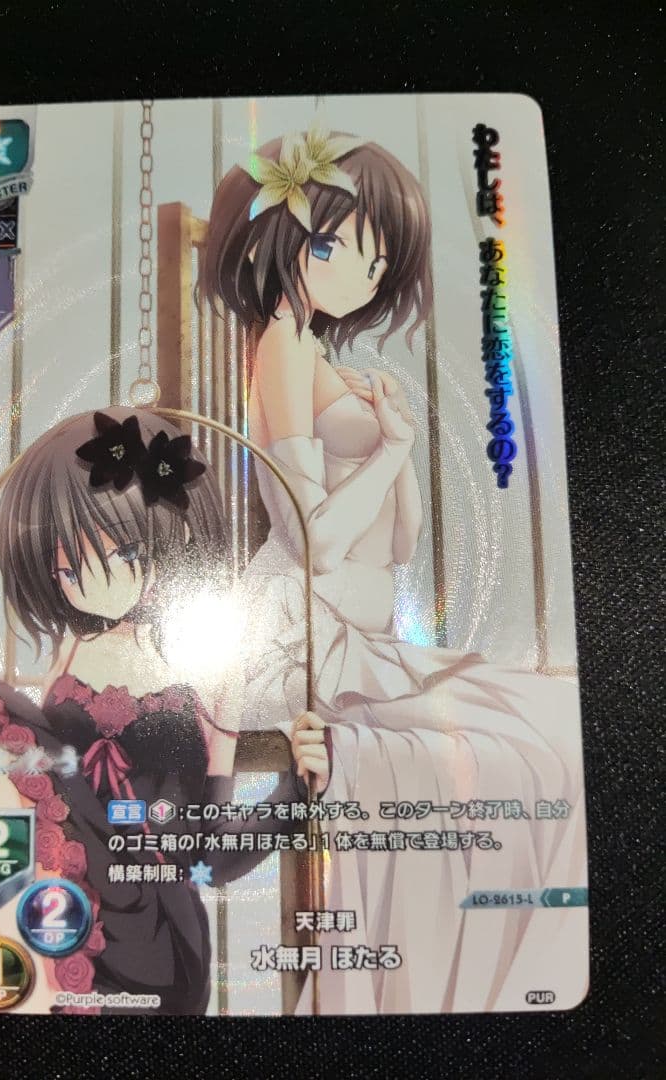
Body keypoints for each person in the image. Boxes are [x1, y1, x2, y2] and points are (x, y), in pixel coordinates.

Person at [202, 126, 588, 1013]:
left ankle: (492, 978)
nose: (371, 279)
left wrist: (398, 446)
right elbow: (311, 541)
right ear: (292, 240)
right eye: (351, 252)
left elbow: (403, 542)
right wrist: (391, 452)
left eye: (383, 265)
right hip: (304, 641)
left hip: (361, 634)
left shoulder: (320, 355)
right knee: (530, 750)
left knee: (548, 735)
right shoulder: (280, 347)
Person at [0, 407, 329, 1014]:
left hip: (152, 934)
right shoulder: (72, 649)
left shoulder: (210, 671)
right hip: (56, 901)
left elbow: (206, 850)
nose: (89, 586)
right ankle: (2, 953)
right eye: (68, 568)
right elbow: (31, 791)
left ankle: (24, 968)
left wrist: (293, 795)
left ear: (169, 538)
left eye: (119, 554)